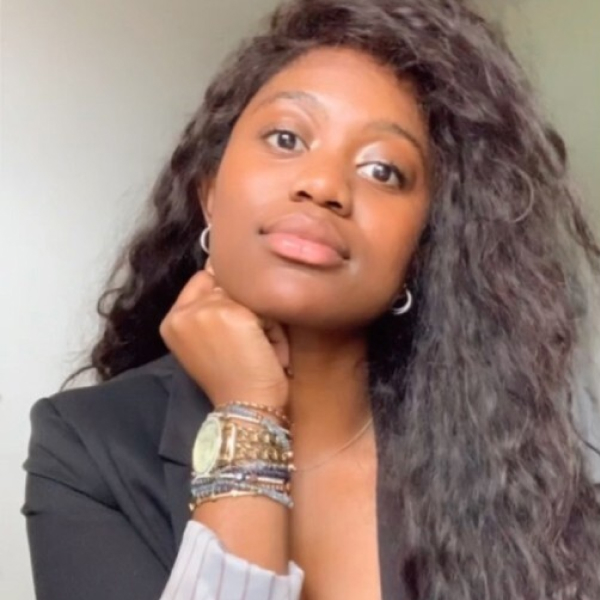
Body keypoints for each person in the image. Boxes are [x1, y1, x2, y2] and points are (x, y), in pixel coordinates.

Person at [22, 0, 600, 599]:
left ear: (423, 248)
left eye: (383, 171)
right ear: (210, 193)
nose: (323, 185)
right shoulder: (88, 448)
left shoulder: (514, 469)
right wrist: (249, 414)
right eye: (286, 137)